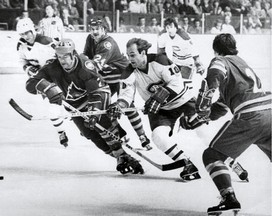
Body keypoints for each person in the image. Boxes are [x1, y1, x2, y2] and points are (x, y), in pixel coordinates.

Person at [25, 38, 144, 175]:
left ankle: (119, 149)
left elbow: (96, 94)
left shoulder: (85, 66)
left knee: (101, 124)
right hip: (74, 105)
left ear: (73, 54)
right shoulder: (52, 67)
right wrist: (45, 87)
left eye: (65, 56)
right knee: (89, 133)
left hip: (97, 95)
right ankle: (123, 157)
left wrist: (93, 113)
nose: (62, 60)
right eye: (59, 56)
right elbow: (30, 85)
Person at [183, 33, 271, 214]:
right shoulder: (242, 64)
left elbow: (214, 76)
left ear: (215, 51)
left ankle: (228, 197)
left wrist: (202, 105)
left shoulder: (220, 60)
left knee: (211, 155)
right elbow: (223, 105)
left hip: (251, 116)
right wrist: (203, 117)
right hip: (270, 111)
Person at [107, 38, 202, 181]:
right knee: (158, 137)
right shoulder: (128, 72)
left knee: (203, 131)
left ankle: (224, 159)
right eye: (127, 55)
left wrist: (158, 98)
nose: (129, 58)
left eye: (132, 55)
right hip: (161, 110)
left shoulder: (160, 60)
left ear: (143, 52)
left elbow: (177, 84)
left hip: (184, 102)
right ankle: (187, 163)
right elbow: (126, 96)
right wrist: (118, 106)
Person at [83, 18, 151, 150]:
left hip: (121, 75)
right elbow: (85, 56)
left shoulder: (107, 43)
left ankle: (142, 136)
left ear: (104, 29)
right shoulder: (90, 38)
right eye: (92, 29)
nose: (94, 31)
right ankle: (121, 134)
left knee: (126, 106)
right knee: (104, 106)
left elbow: (94, 65)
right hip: (107, 77)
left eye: (97, 29)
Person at [16, 17, 69, 147]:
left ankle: (65, 108)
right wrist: (29, 68)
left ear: (33, 29)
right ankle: (61, 131)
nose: (25, 36)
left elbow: (66, 52)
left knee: (64, 105)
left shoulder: (46, 41)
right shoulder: (21, 45)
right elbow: (22, 61)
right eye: (22, 34)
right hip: (43, 77)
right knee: (29, 86)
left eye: (27, 32)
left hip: (57, 74)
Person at [158, 17, 205, 93]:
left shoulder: (183, 35)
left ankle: (189, 101)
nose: (169, 29)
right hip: (176, 63)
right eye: (167, 27)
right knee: (171, 83)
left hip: (187, 64)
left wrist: (198, 64)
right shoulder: (164, 35)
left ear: (175, 27)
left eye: (171, 27)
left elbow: (194, 49)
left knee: (185, 85)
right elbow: (161, 50)